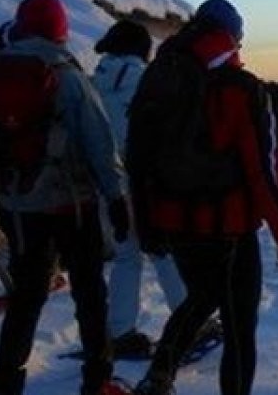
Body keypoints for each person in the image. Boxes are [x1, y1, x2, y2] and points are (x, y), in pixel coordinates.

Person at [127, 0, 278, 395]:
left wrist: (146, 222)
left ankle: (159, 374)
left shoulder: (158, 78)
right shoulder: (242, 89)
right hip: (230, 229)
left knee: (203, 296)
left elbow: (137, 156)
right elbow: (264, 172)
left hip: (172, 222)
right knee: (240, 326)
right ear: (233, 40)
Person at [0, 0, 129, 395]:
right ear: (61, 30)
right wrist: (116, 198)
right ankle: (99, 379)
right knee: (89, 294)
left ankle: (5, 382)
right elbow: (98, 141)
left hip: (19, 204)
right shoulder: (68, 75)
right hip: (72, 204)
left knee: (26, 296)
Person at [90, 19, 187, 356]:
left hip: (106, 184)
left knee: (126, 257)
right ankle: (189, 320)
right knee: (162, 249)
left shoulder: (93, 82)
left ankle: (120, 331)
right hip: (143, 180)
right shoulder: (146, 80)